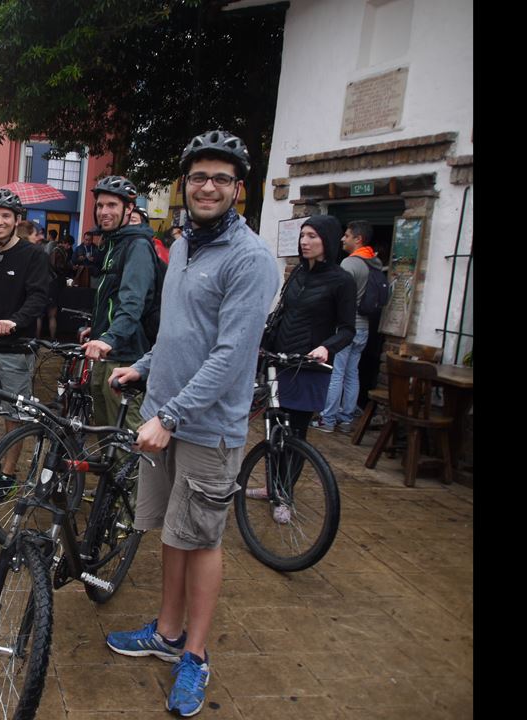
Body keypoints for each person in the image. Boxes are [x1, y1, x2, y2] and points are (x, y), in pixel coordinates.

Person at [104, 130, 279, 718]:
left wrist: (172, 415)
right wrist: (143, 366)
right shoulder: (182, 245)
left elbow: (231, 355)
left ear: (238, 189)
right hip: (164, 416)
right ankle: (167, 631)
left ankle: (195, 655)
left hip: (205, 427)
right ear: (185, 184)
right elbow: (180, 332)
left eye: (221, 179)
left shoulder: (250, 259)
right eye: (199, 177)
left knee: (202, 539)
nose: (208, 187)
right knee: (172, 533)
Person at [0, 188, 51, 499]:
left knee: (13, 415)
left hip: (16, 349)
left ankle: (8, 472)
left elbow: (39, 298)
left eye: (6, 216)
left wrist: (15, 321)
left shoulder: (33, 255)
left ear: (17, 220)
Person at [259, 213, 356, 441]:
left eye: (312, 236)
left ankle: (291, 466)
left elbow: (347, 329)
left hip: (308, 365)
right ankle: (272, 465)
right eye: (302, 235)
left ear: (327, 239)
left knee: (295, 433)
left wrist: (327, 348)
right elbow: (283, 312)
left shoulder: (342, 281)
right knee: (273, 430)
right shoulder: (298, 273)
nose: (304, 241)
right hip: (281, 361)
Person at [79, 175, 158, 432]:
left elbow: (133, 302)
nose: (104, 211)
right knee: (104, 433)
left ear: (129, 208)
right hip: (108, 351)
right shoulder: (113, 244)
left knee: (125, 434)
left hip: (126, 354)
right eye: (100, 205)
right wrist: (98, 328)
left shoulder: (137, 246)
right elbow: (111, 297)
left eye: (112, 205)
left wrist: (110, 337)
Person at [314, 220, 385, 433]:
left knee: (336, 372)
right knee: (352, 373)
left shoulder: (350, 264)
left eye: (347, 235)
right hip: (364, 328)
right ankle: (346, 418)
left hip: (347, 327)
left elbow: (335, 297)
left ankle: (327, 420)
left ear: (358, 239)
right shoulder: (374, 263)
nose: (342, 239)